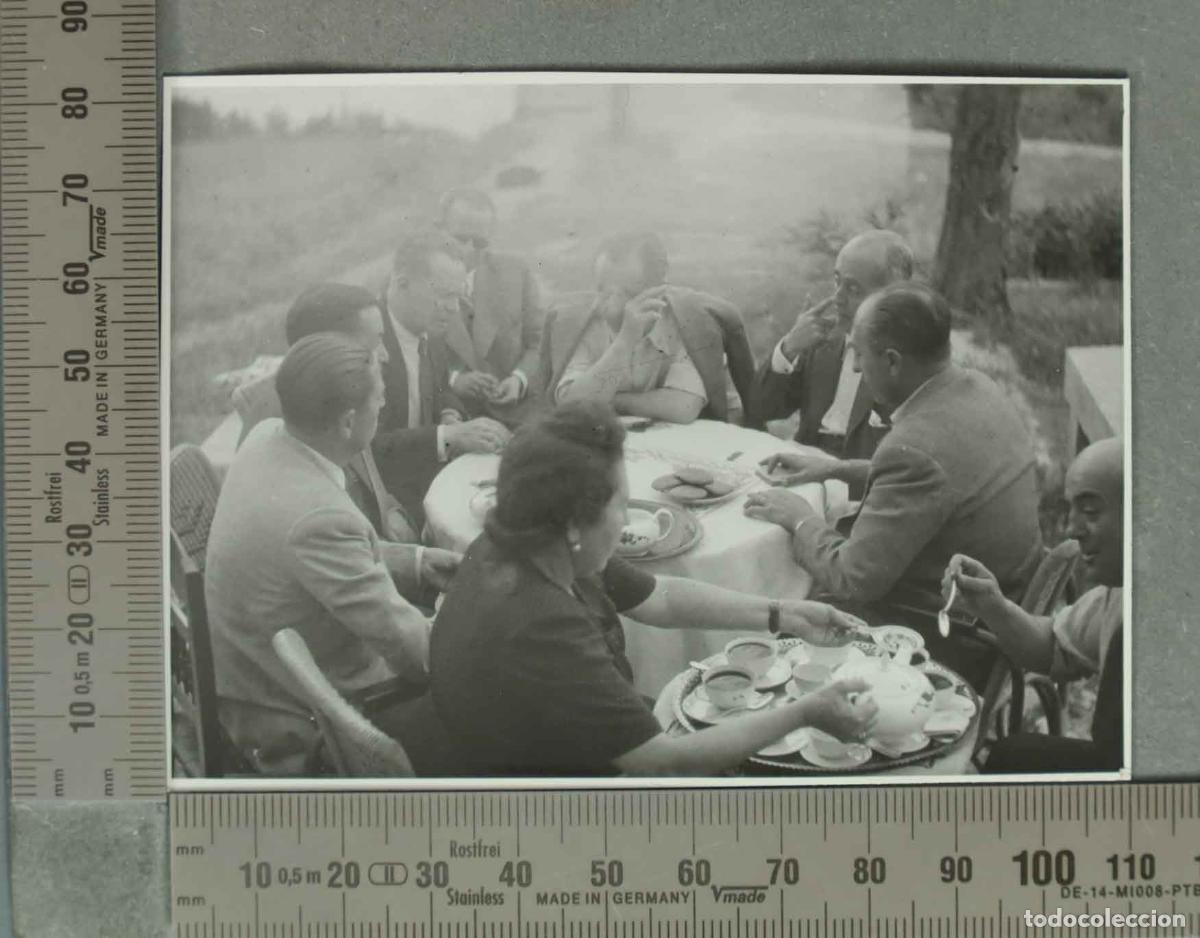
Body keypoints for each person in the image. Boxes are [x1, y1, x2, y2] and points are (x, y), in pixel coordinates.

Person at [426, 401, 878, 777]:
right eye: (620, 506)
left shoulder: (526, 539)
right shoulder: (542, 622)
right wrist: (806, 712)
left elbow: (657, 596)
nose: (626, 520)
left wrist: (786, 613)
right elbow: (661, 764)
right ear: (573, 524)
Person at [744, 283, 1043, 690]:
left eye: (858, 356)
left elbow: (854, 578)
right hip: (1004, 601)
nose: (853, 369)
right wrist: (833, 468)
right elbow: (942, 480)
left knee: (778, 620)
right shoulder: (976, 388)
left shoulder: (916, 445)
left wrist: (800, 519)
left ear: (892, 362)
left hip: (946, 636)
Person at [206, 334, 434, 775]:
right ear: (348, 422)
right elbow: (414, 655)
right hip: (289, 717)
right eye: (380, 400)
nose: (383, 409)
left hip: (255, 668)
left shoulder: (269, 438)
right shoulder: (316, 517)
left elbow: (318, 557)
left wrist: (418, 562)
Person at [944, 438, 1124, 773]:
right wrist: (992, 606)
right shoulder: (1120, 593)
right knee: (1010, 754)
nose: (1071, 529)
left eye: (1090, 512)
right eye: (1071, 510)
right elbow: (1054, 648)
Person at [753, 230, 915, 495]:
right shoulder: (824, 338)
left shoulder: (908, 358)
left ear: (893, 295)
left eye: (853, 289)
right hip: (805, 472)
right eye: (836, 281)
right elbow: (761, 408)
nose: (837, 298)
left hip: (862, 491)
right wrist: (790, 347)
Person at [374, 229, 512, 525]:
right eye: (444, 296)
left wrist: (451, 416)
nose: (453, 309)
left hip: (421, 473)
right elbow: (366, 448)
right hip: (381, 496)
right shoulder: (368, 340)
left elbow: (441, 389)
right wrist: (447, 437)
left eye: (458, 296)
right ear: (401, 283)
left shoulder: (430, 331)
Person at [547, 232, 756, 425]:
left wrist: (605, 399)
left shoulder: (689, 320)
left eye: (627, 293)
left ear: (659, 290)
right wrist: (624, 342)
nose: (611, 304)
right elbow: (572, 406)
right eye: (602, 288)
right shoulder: (585, 320)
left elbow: (682, 408)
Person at [436, 188, 546, 426]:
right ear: (439, 229)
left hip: (516, 413)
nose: (469, 250)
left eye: (480, 242)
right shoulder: (417, 282)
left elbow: (539, 342)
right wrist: (454, 380)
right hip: (448, 418)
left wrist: (519, 379)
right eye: (461, 238)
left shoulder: (516, 274)